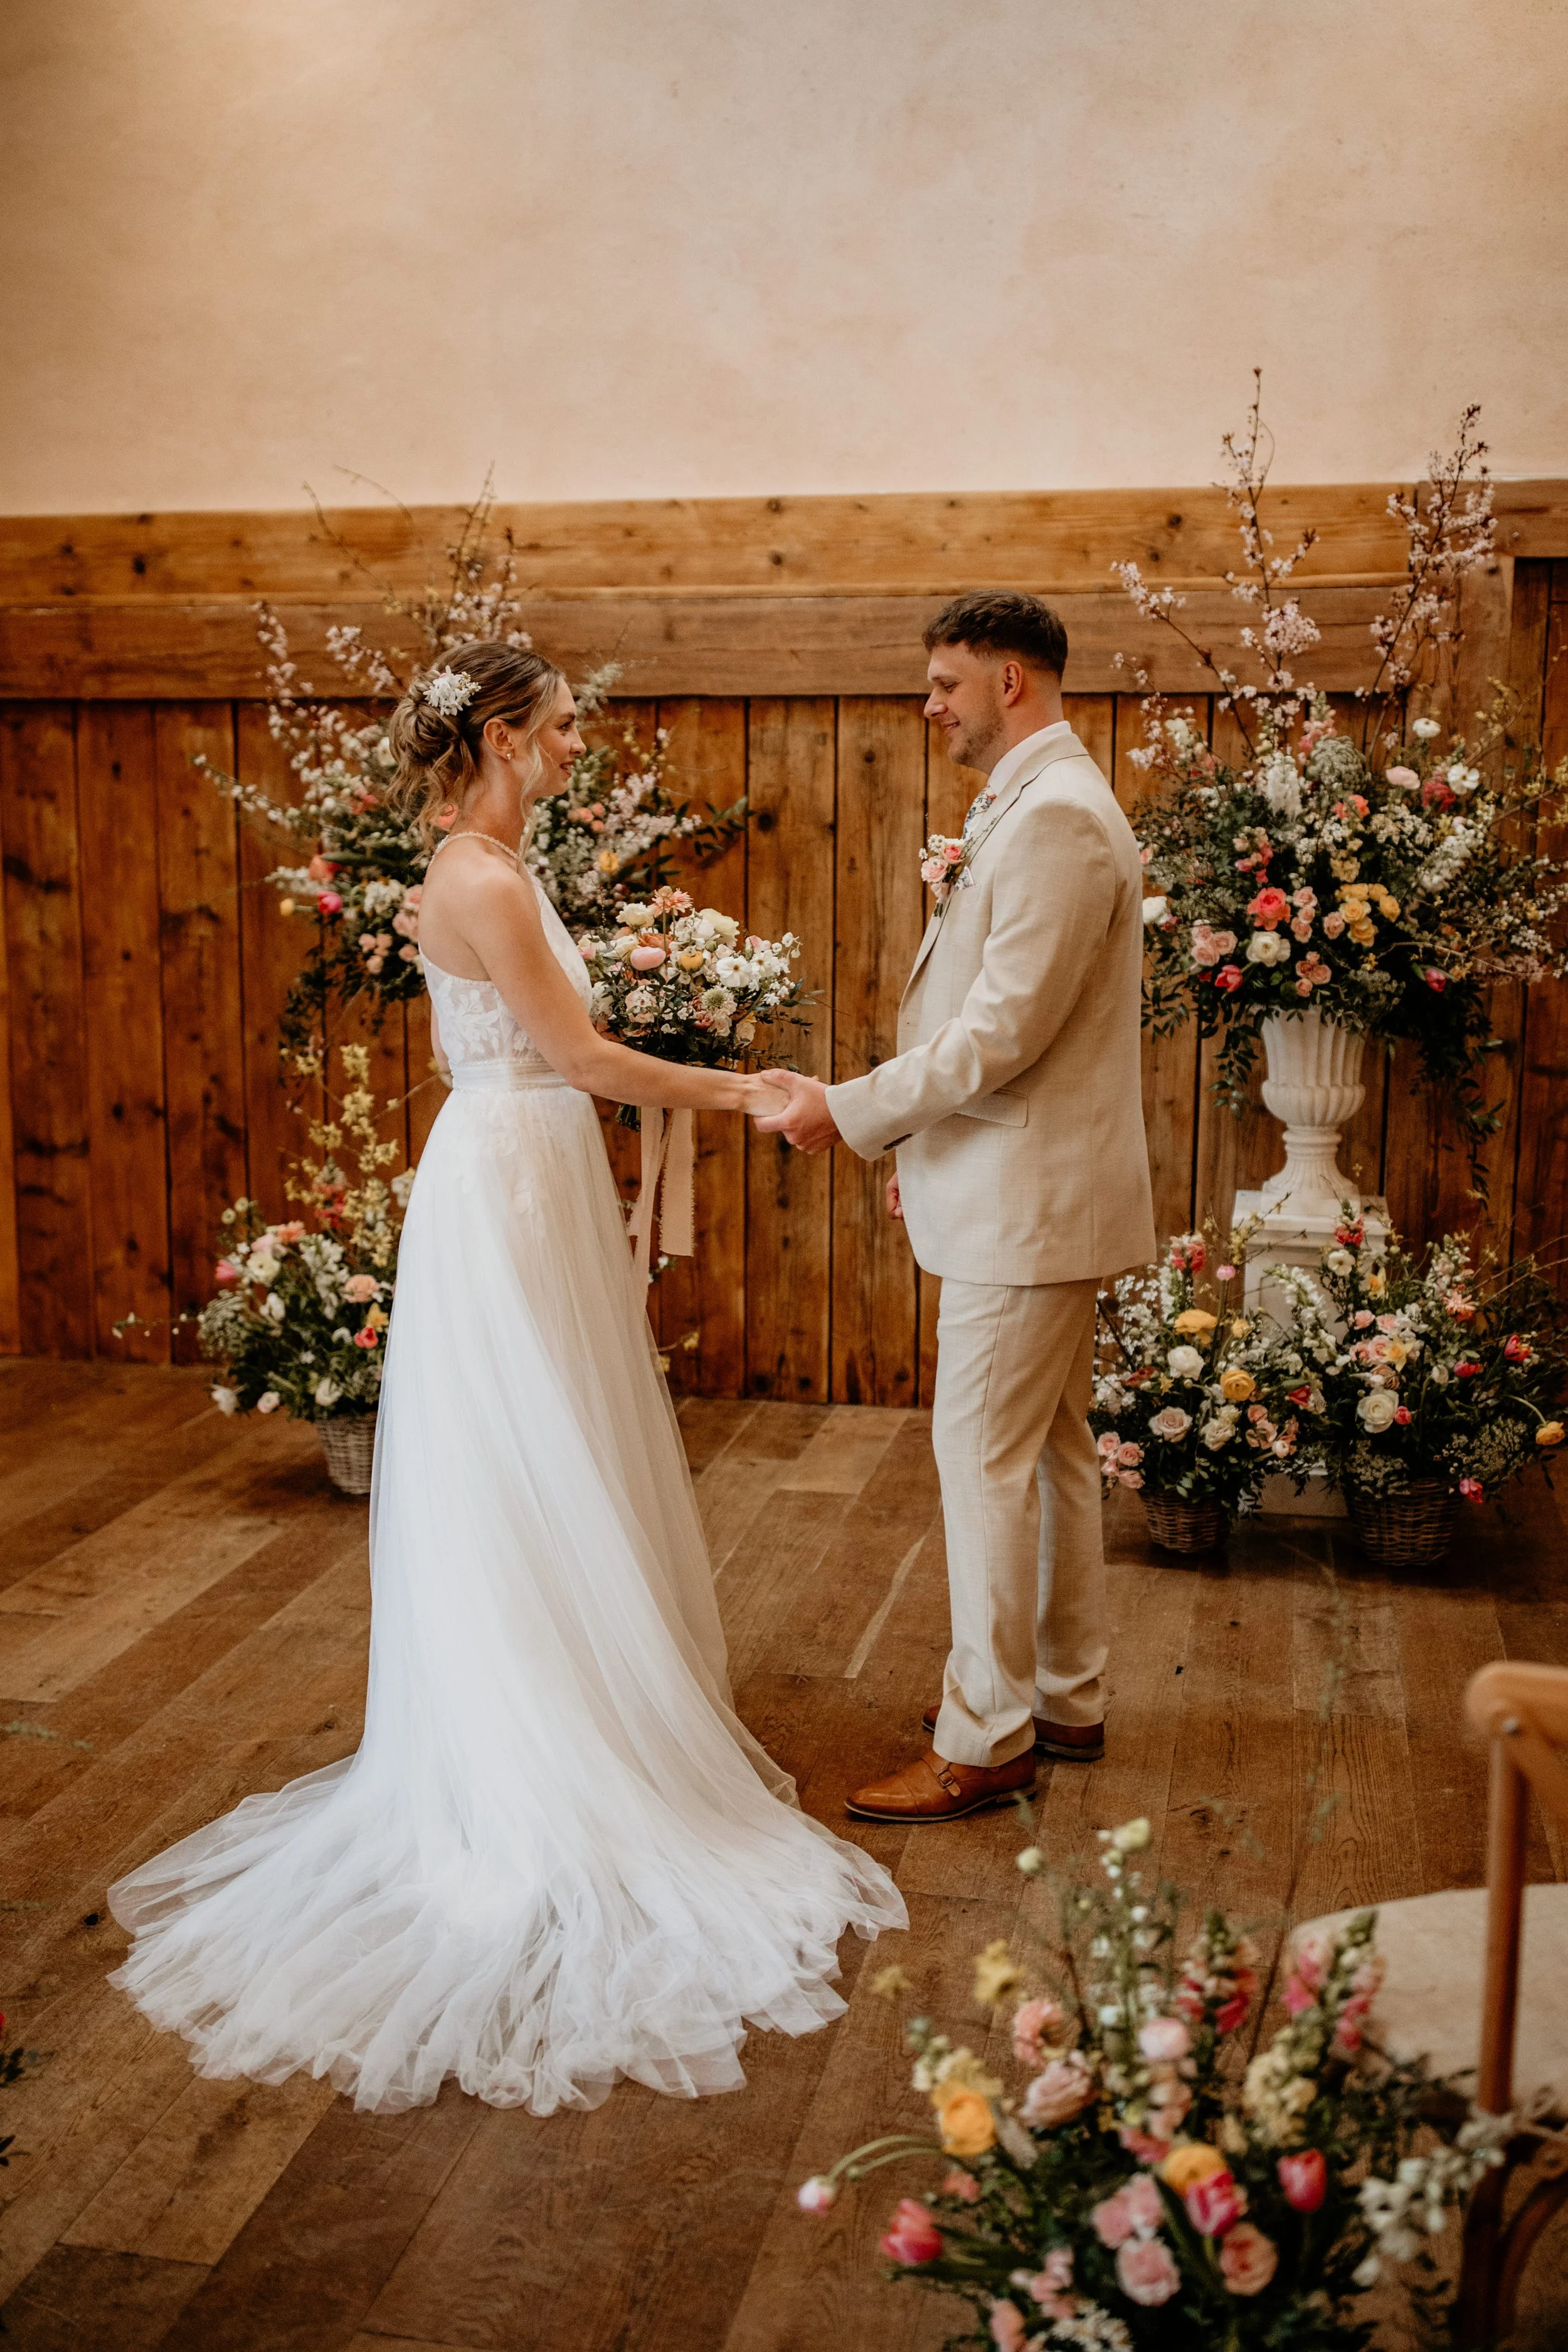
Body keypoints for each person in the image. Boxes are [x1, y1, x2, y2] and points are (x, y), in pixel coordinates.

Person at [109, 639, 904, 2115]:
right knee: (520, 1455)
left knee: (551, 1452)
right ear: (494, 737)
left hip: (518, 1172)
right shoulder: (476, 877)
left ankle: (574, 1696)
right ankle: (542, 1750)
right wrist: (748, 1091)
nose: (566, 750)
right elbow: (583, 1057)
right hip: (512, 1173)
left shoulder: (481, 863)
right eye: (548, 732)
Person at [756, 592, 1156, 1824]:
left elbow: (1000, 1032)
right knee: (1045, 1452)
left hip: (1024, 1201)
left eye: (945, 684)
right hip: (1016, 1183)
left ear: (1011, 685)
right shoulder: (1034, 806)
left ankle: (985, 1739)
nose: (929, 705)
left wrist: (855, 1106)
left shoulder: (1056, 822)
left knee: (978, 1456)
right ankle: (1063, 1696)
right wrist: (914, 1139)